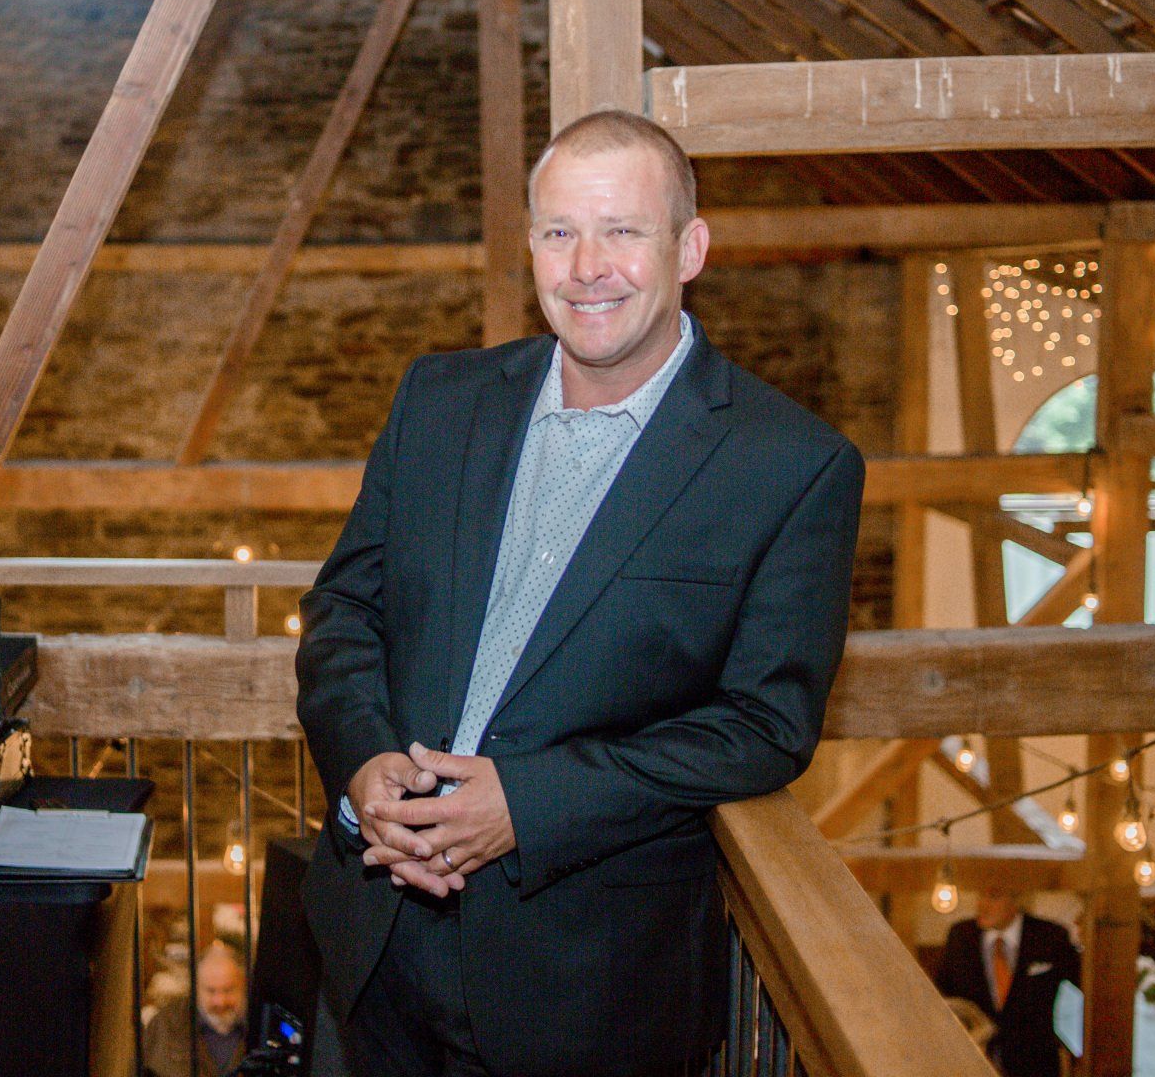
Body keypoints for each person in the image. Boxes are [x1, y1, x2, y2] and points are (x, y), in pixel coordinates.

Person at [295, 108, 866, 1077]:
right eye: (560, 232)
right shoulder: (437, 400)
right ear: (530, 247)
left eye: (622, 231)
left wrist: (531, 800)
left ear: (689, 248)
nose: (587, 265)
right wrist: (363, 767)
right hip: (374, 941)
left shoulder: (791, 466)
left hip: (587, 988)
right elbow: (344, 610)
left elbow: (767, 724)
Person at [934, 887, 1080, 1077]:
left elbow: (1083, 988)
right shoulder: (961, 936)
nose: (982, 906)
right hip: (974, 1062)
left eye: (994, 896)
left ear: (1017, 900)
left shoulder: (1049, 937)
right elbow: (940, 997)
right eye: (980, 896)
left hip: (1035, 1065)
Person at [142, 939, 250, 1077]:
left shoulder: (263, 1024)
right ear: (196, 988)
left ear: (243, 985)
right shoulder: (165, 1025)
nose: (220, 1002)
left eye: (228, 990)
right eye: (211, 991)